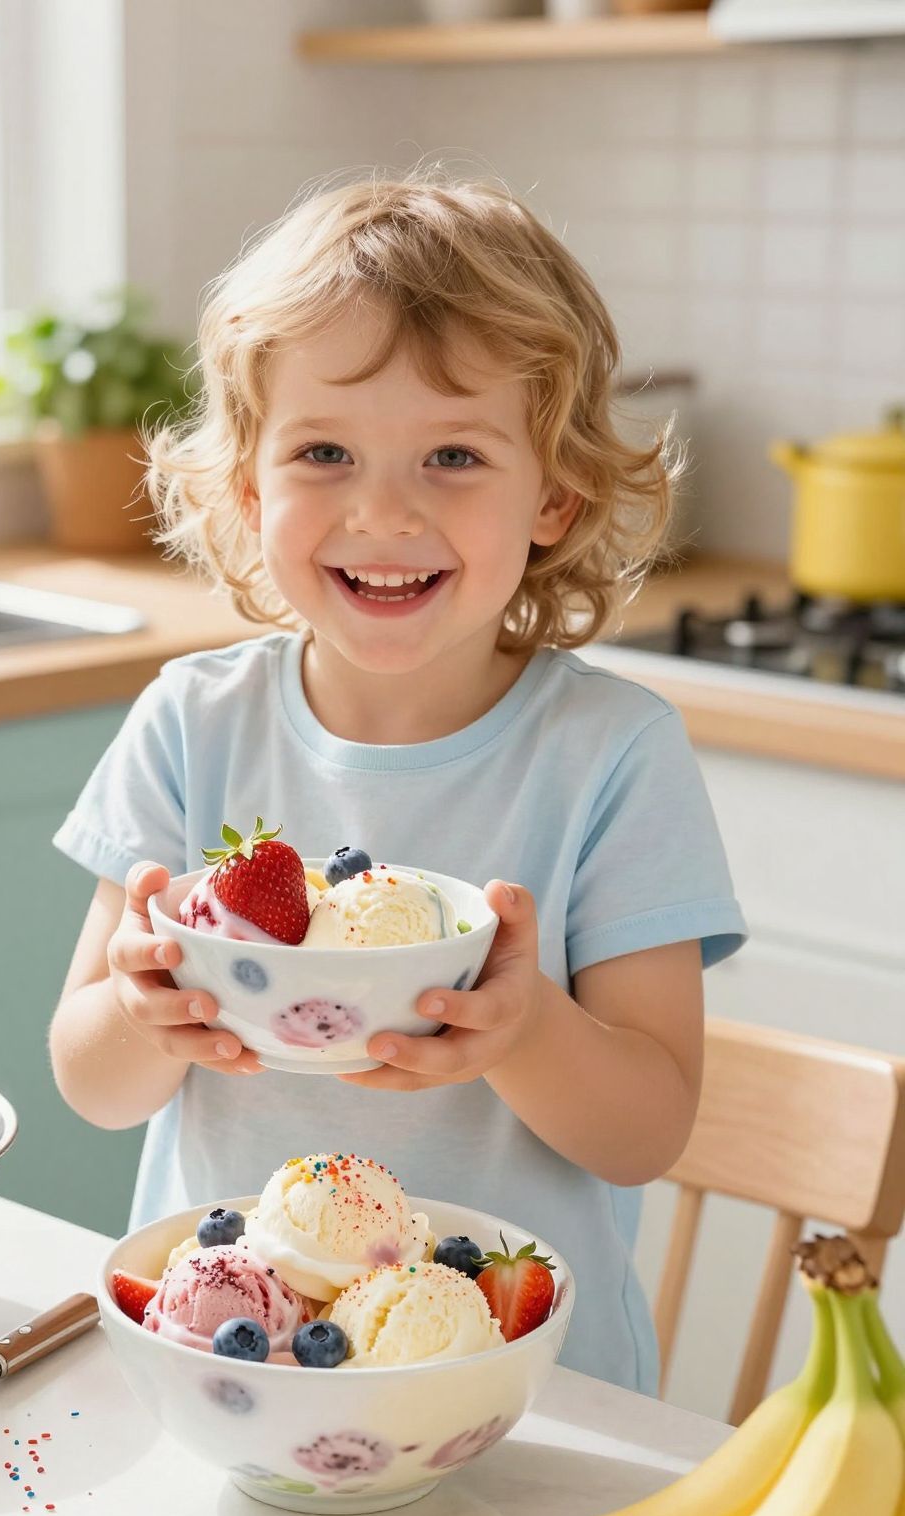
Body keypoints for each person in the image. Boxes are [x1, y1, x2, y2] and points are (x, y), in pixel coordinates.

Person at [50, 170, 746, 1393]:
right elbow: (92, 1083)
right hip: (237, 1377)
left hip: (531, 1398)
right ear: (253, 489)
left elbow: (647, 1133)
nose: (382, 508)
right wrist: (140, 1009)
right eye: (324, 450)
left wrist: (522, 1025)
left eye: (454, 455)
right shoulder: (190, 724)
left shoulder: (612, 757)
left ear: (555, 496)